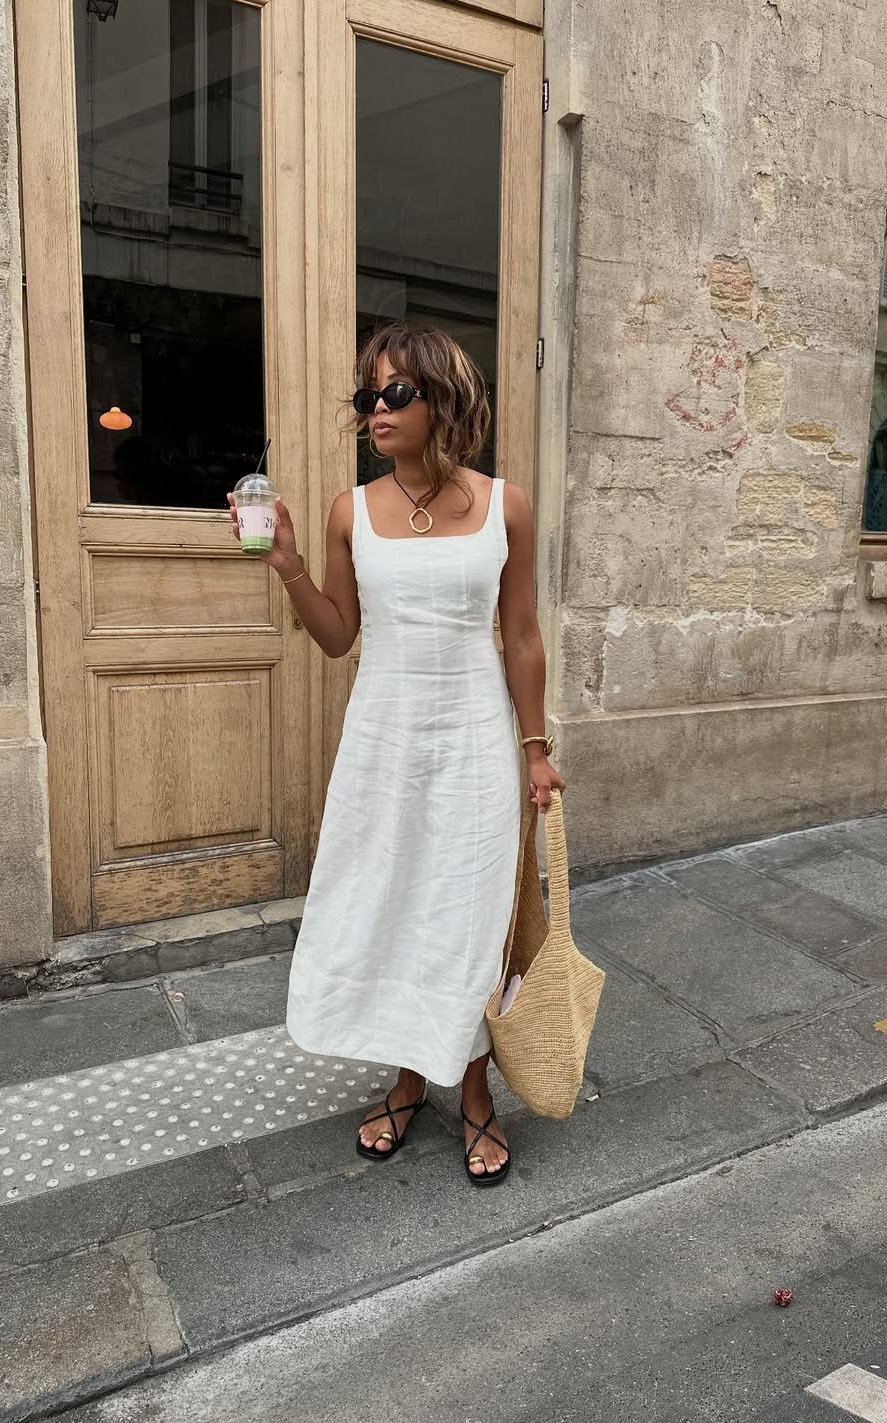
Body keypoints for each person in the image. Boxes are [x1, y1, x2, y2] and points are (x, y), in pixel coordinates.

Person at [229, 323, 565, 1187]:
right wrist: (289, 565)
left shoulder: (506, 505)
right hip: (383, 745)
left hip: (475, 743)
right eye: (367, 395)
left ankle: (476, 1092)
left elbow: (522, 635)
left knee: (469, 915)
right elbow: (338, 636)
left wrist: (535, 749)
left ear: (440, 398)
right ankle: (410, 1078)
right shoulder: (350, 511)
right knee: (395, 906)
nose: (375, 409)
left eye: (394, 393)